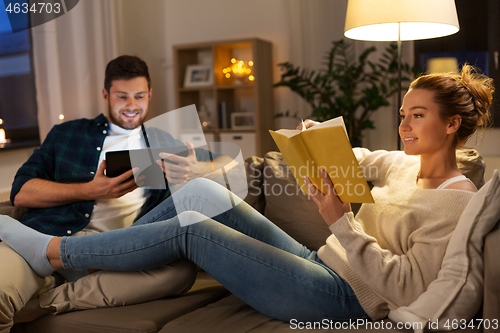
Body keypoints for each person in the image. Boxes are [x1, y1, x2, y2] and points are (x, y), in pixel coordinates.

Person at [0, 65, 493, 323]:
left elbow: (406, 289)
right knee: (198, 195)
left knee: (193, 232)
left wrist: (340, 220)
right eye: (403, 112)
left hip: (346, 299)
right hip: (324, 261)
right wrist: (315, 136)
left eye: (417, 116)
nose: (403, 124)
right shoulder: (405, 164)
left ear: (451, 125)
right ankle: (85, 260)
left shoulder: (457, 202)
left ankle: (53, 253)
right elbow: (362, 156)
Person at [0, 55, 231, 332]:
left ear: (150, 95)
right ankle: (50, 274)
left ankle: (43, 304)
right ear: (106, 95)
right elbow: (21, 192)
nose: (132, 105)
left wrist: (196, 168)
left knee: (181, 272)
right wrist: (90, 190)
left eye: (139, 96)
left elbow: (225, 160)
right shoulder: (67, 134)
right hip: (47, 238)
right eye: (122, 97)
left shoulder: (164, 141)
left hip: (116, 252)